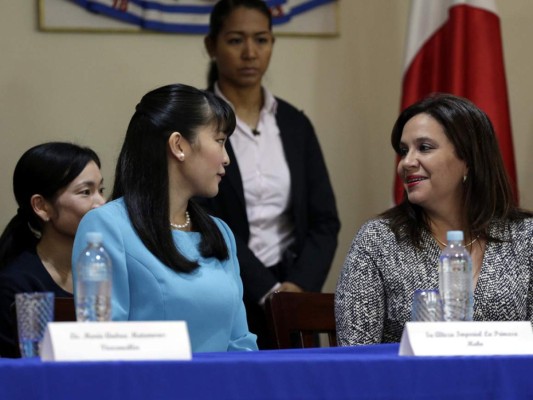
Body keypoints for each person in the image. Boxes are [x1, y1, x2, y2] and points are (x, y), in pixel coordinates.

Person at [72, 83, 258, 352]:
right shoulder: (106, 226)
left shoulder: (220, 233)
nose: (226, 158)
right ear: (178, 145)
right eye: (219, 141)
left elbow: (240, 342)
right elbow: (102, 343)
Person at [335, 93, 533, 346]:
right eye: (404, 151)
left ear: (468, 160)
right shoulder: (379, 241)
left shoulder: (525, 238)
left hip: (508, 385)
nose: (406, 162)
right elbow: (356, 353)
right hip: (410, 385)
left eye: (425, 148)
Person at [200, 0, 340, 349]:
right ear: (211, 46)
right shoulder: (194, 123)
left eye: (261, 40)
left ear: (272, 44)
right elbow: (202, 218)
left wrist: (296, 289)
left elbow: (324, 220)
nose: (250, 52)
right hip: (225, 292)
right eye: (235, 40)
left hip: (295, 297)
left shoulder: (295, 124)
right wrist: (267, 290)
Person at [0, 142, 105, 357]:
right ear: (41, 206)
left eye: (101, 190)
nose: (101, 203)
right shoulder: (15, 285)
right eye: (86, 192)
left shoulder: (103, 265)